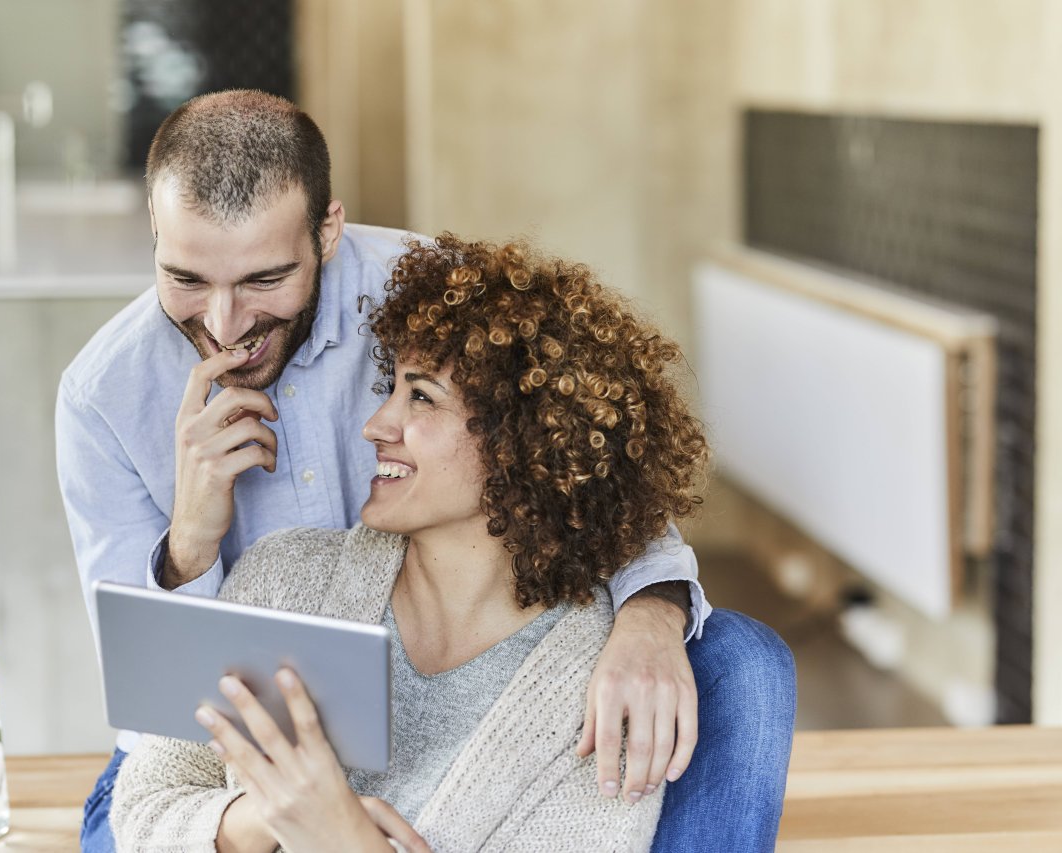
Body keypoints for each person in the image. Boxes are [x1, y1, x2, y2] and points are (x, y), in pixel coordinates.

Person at [56, 90, 794, 853]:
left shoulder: (432, 299)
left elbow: (594, 462)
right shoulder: (104, 398)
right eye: (185, 279)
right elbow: (157, 721)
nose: (224, 325)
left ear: (328, 231)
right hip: (219, 743)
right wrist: (191, 552)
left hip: (446, 690)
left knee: (739, 660)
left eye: (263, 281)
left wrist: (649, 615)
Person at [111, 233, 714, 851]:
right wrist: (263, 816)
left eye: (421, 396)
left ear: (524, 444)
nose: (376, 426)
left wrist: (345, 838)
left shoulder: (604, 686)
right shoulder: (285, 578)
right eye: (391, 389)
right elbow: (141, 807)